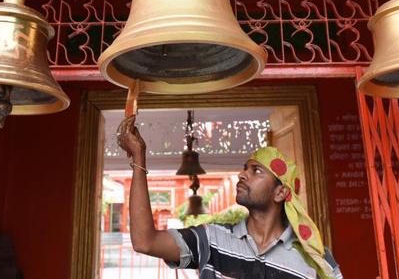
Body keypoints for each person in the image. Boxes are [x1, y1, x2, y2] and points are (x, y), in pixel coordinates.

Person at [117, 115, 343, 279]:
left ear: (280, 192)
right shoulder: (211, 240)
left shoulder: (314, 258)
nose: (242, 174)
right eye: (245, 168)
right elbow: (145, 241)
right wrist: (139, 157)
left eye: (256, 171)